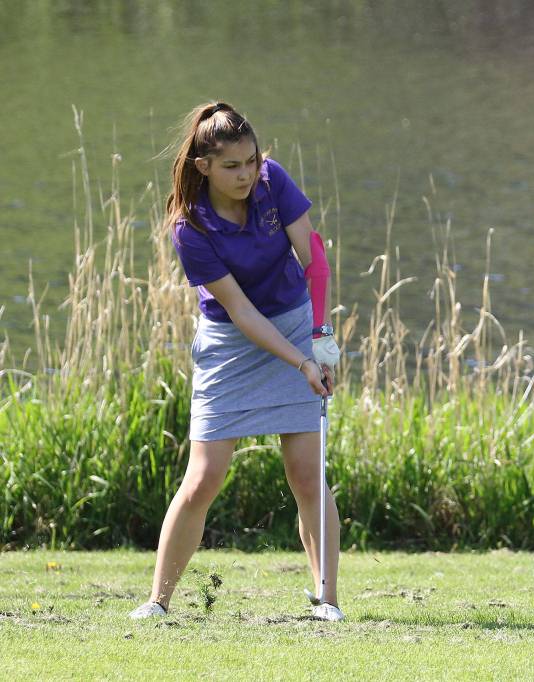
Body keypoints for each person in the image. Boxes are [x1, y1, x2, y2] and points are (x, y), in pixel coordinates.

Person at [128, 102, 344, 622]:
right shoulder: (189, 227)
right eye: (231, 166)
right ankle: (158, 601)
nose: (246, 174)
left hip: (295, 324)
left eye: (251, 160)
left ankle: (328, 601)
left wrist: (320, 339)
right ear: (204, 167)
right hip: (230, 342)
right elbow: (241, 311)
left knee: (306, 475)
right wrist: (300, 363)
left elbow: (313, 259)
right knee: (203, 477)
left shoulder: (273, 181)